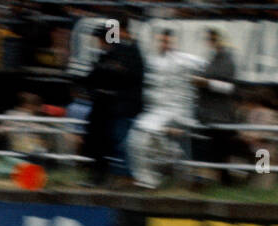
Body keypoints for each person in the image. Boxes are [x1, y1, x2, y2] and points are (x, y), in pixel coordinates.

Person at [126, 29, 203, 189]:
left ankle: (170, 157)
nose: (163, 44)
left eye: (166, 41)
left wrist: (197, 80)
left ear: (173, 42)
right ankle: (150, 178)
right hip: (156, 112)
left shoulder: (184, 61)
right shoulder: (153, 62)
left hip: (176, 111)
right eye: (161, 41)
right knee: (136, 140)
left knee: (147, 134)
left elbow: (202, 67)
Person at [80, 15, 144, 186]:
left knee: (118, 142)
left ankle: (126, 176)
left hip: (121, 106)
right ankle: (99, 174)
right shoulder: (109, 55)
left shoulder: (129, 52)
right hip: (106, 106)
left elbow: (125, 76)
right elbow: (93, 78)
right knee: (99, 140)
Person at [194, 28, 237, 185]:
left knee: (222, 151)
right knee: (215, 150)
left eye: (212, 39)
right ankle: (219, 180)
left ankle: (226, 181)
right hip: (210, 113)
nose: (210, 42)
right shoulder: (213, 59)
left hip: (222, 114)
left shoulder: (226, 60)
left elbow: (229, 87)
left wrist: (205, 83)